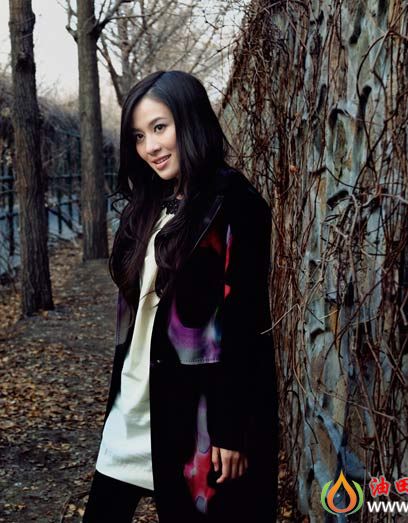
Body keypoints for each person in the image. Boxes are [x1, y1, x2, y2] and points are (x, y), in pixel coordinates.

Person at [82, 70, 279, 522]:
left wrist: (231, 428)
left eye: (159, 127)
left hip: (196, 422)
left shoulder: (236, 204)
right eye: (138, 136)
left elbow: (244, 322)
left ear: (190, 122)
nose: (150, 147)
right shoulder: (149, 205)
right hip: (131, 410)